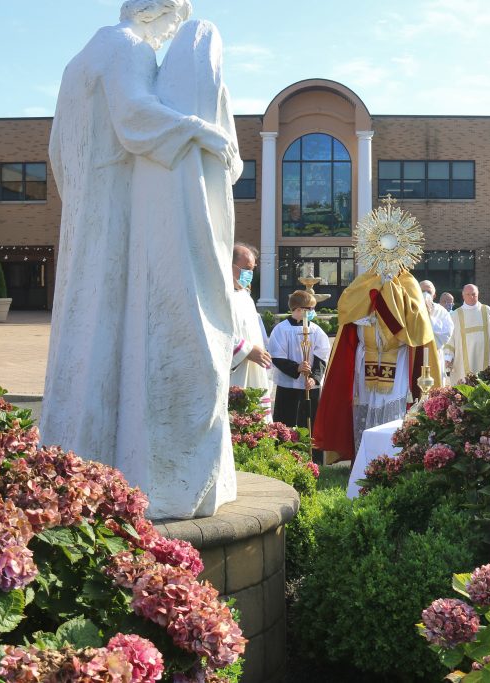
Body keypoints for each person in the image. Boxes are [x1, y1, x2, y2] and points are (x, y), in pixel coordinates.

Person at [44, 0, 243, 518]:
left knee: (85, 327)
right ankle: (116, 464)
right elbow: (134, 116)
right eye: (172, 23)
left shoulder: (79, 58)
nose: (169, 37)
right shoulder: (127, 46)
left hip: (86, 208)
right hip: (116, 206)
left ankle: (81, 455)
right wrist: (203, 131)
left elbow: (56, 152)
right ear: (156, 13)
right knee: (112, 325)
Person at [314, 268, 441, 464]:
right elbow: (346, 309)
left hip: (397, 360)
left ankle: (393, 459)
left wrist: (388, 293)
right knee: (365, 408)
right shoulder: (364, 281)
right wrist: (372, 294)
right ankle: (364, 460)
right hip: (366, 359)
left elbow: (416, 325)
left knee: (392, 410)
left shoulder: (408, 284)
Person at [268, 290, 330, 432]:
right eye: (311, 309)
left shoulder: (316, 330)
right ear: (299, 309)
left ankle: (312, 454)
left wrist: (314, 378)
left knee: (310, 425)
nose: (313, 312)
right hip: (288, 386)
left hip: (310, 386)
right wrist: (296, 368)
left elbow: (322, 355)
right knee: (287, 425)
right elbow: (276, 355)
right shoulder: (281, 329)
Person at [230, 243, 272, 420]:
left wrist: (263, 351)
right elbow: (214, 334)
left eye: (252, 269)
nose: (250, 274)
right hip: (234, 373)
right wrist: (246, 350)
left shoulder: (245, 297)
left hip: (254, 371)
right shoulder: (219, 296)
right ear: (229, 265)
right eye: (246, 268)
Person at [443, 284, 490, 384]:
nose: (471, 297)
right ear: (463, 295)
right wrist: (448, 357)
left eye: (474, 294)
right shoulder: (456, 315)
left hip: (487, 359)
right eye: (468, 294)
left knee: (487, 384)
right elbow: (451, 338)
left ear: (478, 294)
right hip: (462, 362)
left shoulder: (487, 311)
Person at [419, 280, 454, 382]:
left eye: (429, 292)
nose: (425, 294)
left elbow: (447, 332)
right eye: (422, 291)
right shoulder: (410, 308)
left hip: (435, 352)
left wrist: (428, 317)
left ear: (434, 296)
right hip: (415, 353)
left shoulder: (441, 311)